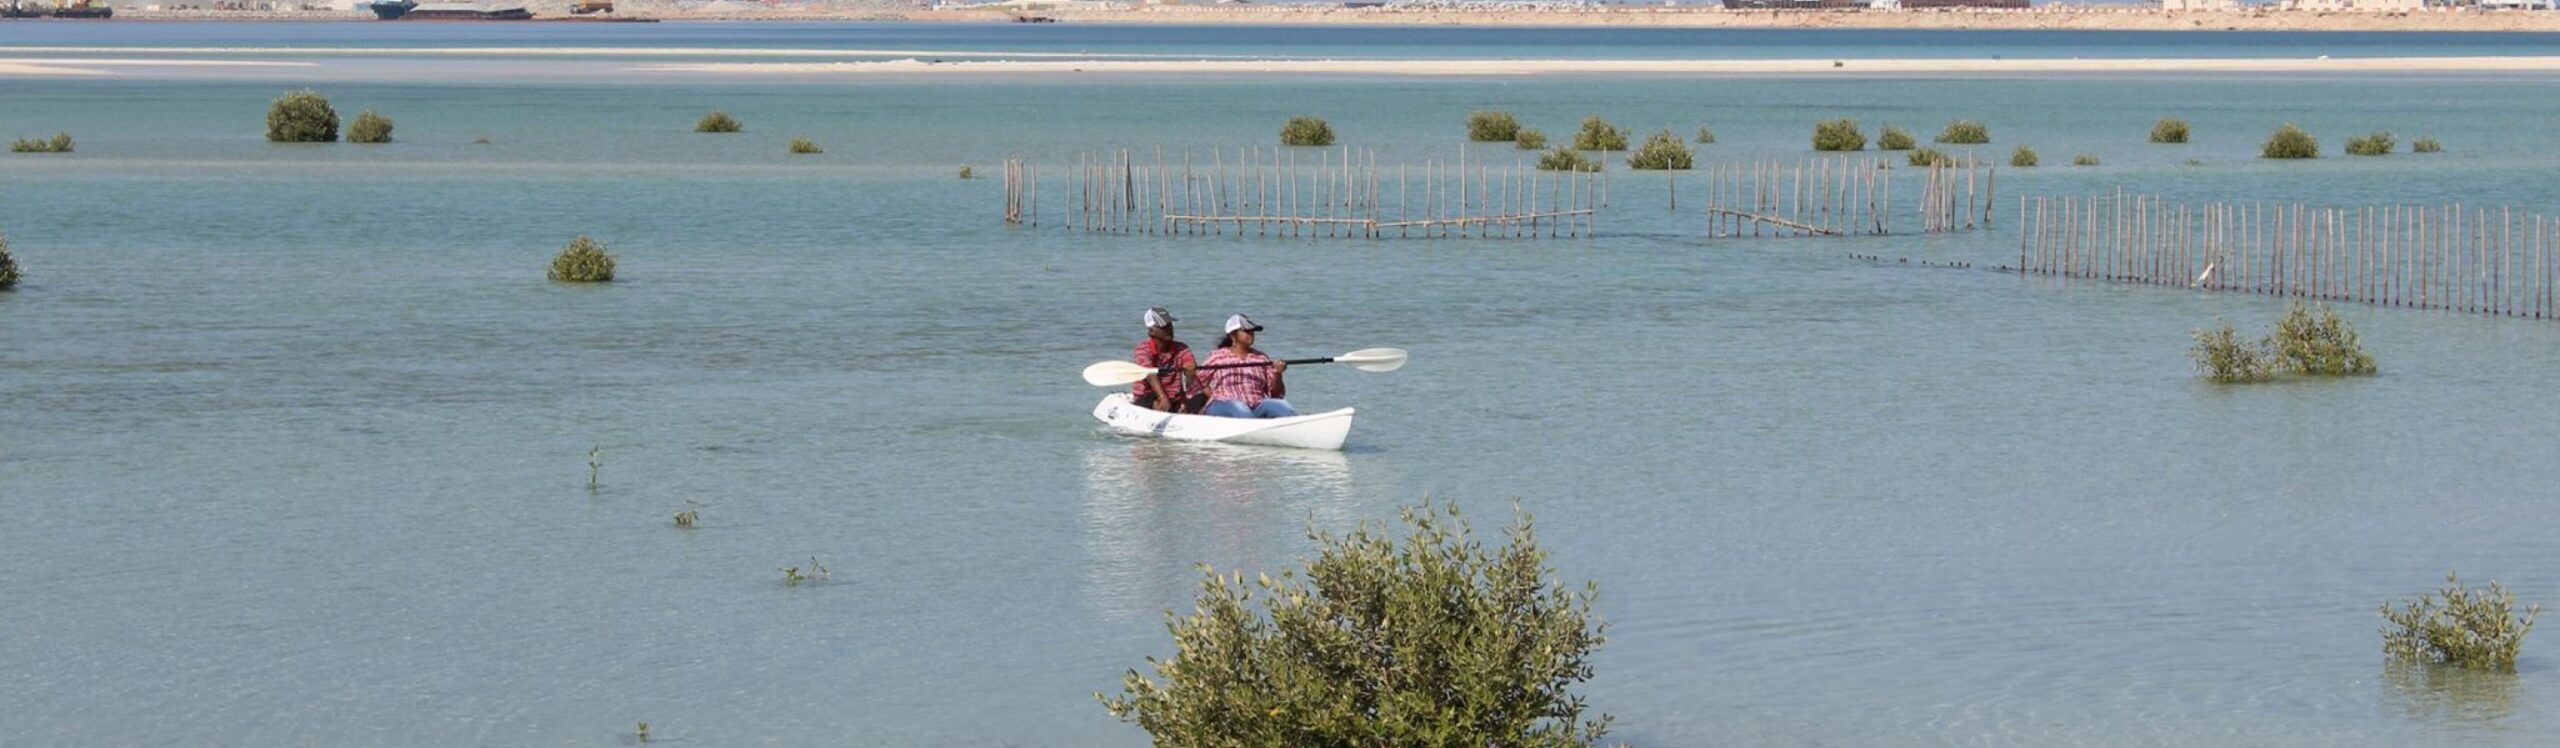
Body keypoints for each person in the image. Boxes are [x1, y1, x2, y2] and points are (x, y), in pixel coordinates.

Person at [1200, 314, 1299, 419]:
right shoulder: (1217, 356)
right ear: (1233, 335)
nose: (1251, 334)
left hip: (1256, 404)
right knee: (1241, 408)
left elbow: (1276, 394)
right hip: (1223, 404)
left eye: (1252, 331)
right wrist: (1214, 396)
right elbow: (1198, 381)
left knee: (1283, 406)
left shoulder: (1261, 357)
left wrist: (1278, 373)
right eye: (1246, 331)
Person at [1131, 307, 1205, 414]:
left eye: (1170, 325)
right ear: (1152, 331)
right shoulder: (1143, 349)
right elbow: (1150, 374)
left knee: (1200, 398)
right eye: (1164, 327)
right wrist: (1162, 396)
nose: (1169, 329)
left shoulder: (1182, 348)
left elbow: (1189, 367)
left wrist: (1190, 371)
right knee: (1156, 401)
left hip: (1174, 397)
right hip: (1148, 396)